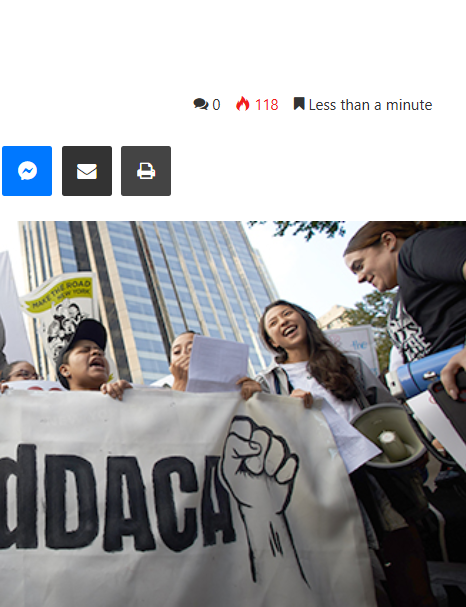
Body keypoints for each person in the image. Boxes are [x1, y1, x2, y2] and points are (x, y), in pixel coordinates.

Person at [255, 300, 435, 607]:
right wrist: (286, 407)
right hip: (327, 485)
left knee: (407, 568)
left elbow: (388, 410)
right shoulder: (269, 382)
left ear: (303, 318)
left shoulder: (349, 362)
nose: (283, 321)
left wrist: (412, 450)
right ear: (272, 341)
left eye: (287, 313)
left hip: (378, 477)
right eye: (273, 322)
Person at [343, 221, 466, 401]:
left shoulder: (417, 248)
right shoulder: (403, 295)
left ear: (388, 241)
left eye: (359, 266)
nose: (359, 279)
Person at [150, 331, 259, 398]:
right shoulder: (157, 391)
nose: (184, 354)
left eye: (191, 349)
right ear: (171, 364)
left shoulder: (232, 384)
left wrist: (256, 396)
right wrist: (179, 384)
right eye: (177, 352)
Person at [55, 318, 131, 400]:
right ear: (65, 370)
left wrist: (130, 396)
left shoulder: (126, 397)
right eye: (84, 350)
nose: (97, 352)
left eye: (102, 353)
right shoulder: (54, 406)